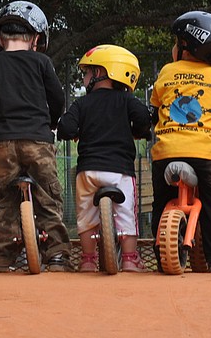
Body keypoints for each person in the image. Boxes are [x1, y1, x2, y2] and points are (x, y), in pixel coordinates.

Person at [0, 0, 71, 272]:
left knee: (3, 201)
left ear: (1, 38)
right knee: (48, 197)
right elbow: (57, 98)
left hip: (1, 143)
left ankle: (1, 259)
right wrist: (49, 123)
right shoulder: (42, 62)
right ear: (36, 38)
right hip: (37, 140)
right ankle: (58, 256)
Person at [150, 11, 211, 273]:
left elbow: (154, 108)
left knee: (161, 203)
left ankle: (162, 256)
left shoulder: (167, 72)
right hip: (205, 154)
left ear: (185, 47)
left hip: (165, 152)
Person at [57, 45, 151, 272]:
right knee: (127, 213)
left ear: (99, 73)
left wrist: (76, 132)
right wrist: (139, 131)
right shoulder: (127, 101)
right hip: (119, 171)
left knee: (86, 216)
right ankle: (129, 258)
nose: (83, 77)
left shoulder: (82, 103)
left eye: (87, 72)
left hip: (88, 171)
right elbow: (144, 118)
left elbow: (65, 127)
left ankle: (88, 260)